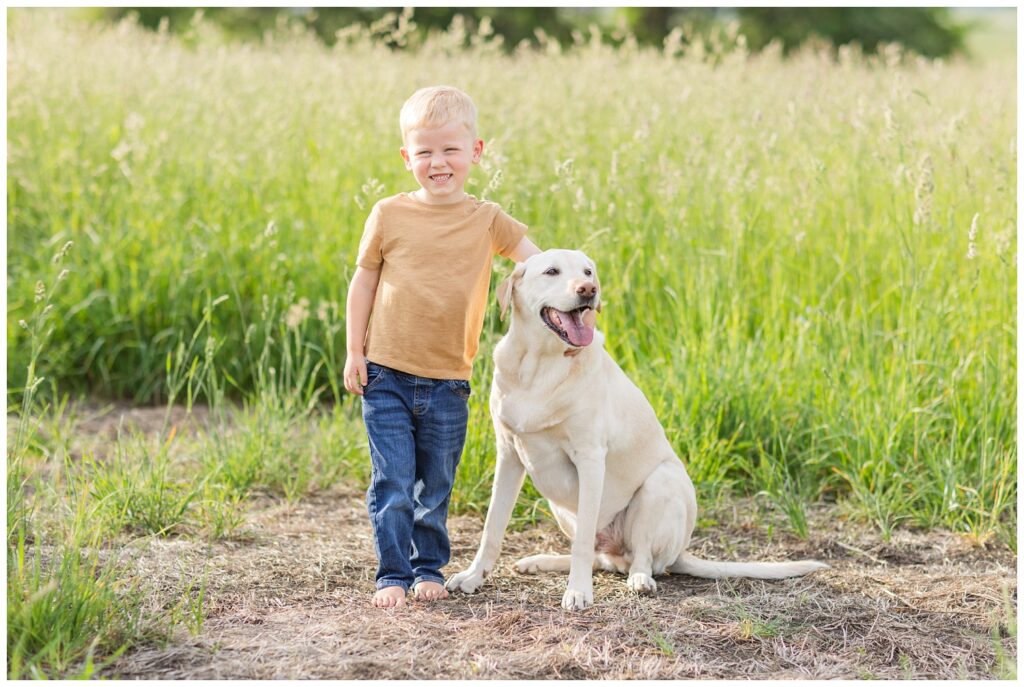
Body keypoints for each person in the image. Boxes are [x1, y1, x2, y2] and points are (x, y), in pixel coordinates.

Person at [343, 85, 541, 608]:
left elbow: (535, 264)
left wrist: (565, 298)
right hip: (385, 372)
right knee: (393, 480)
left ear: (475, 152)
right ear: (407, 157)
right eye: (425, 151)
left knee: (435, 483)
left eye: (450, 149)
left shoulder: (488, 218)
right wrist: (354, 352)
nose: (438, 162)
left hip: (450, 379)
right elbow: (362, 282)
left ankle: (428, 566)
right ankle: (392, 574)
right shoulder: (389, 213)